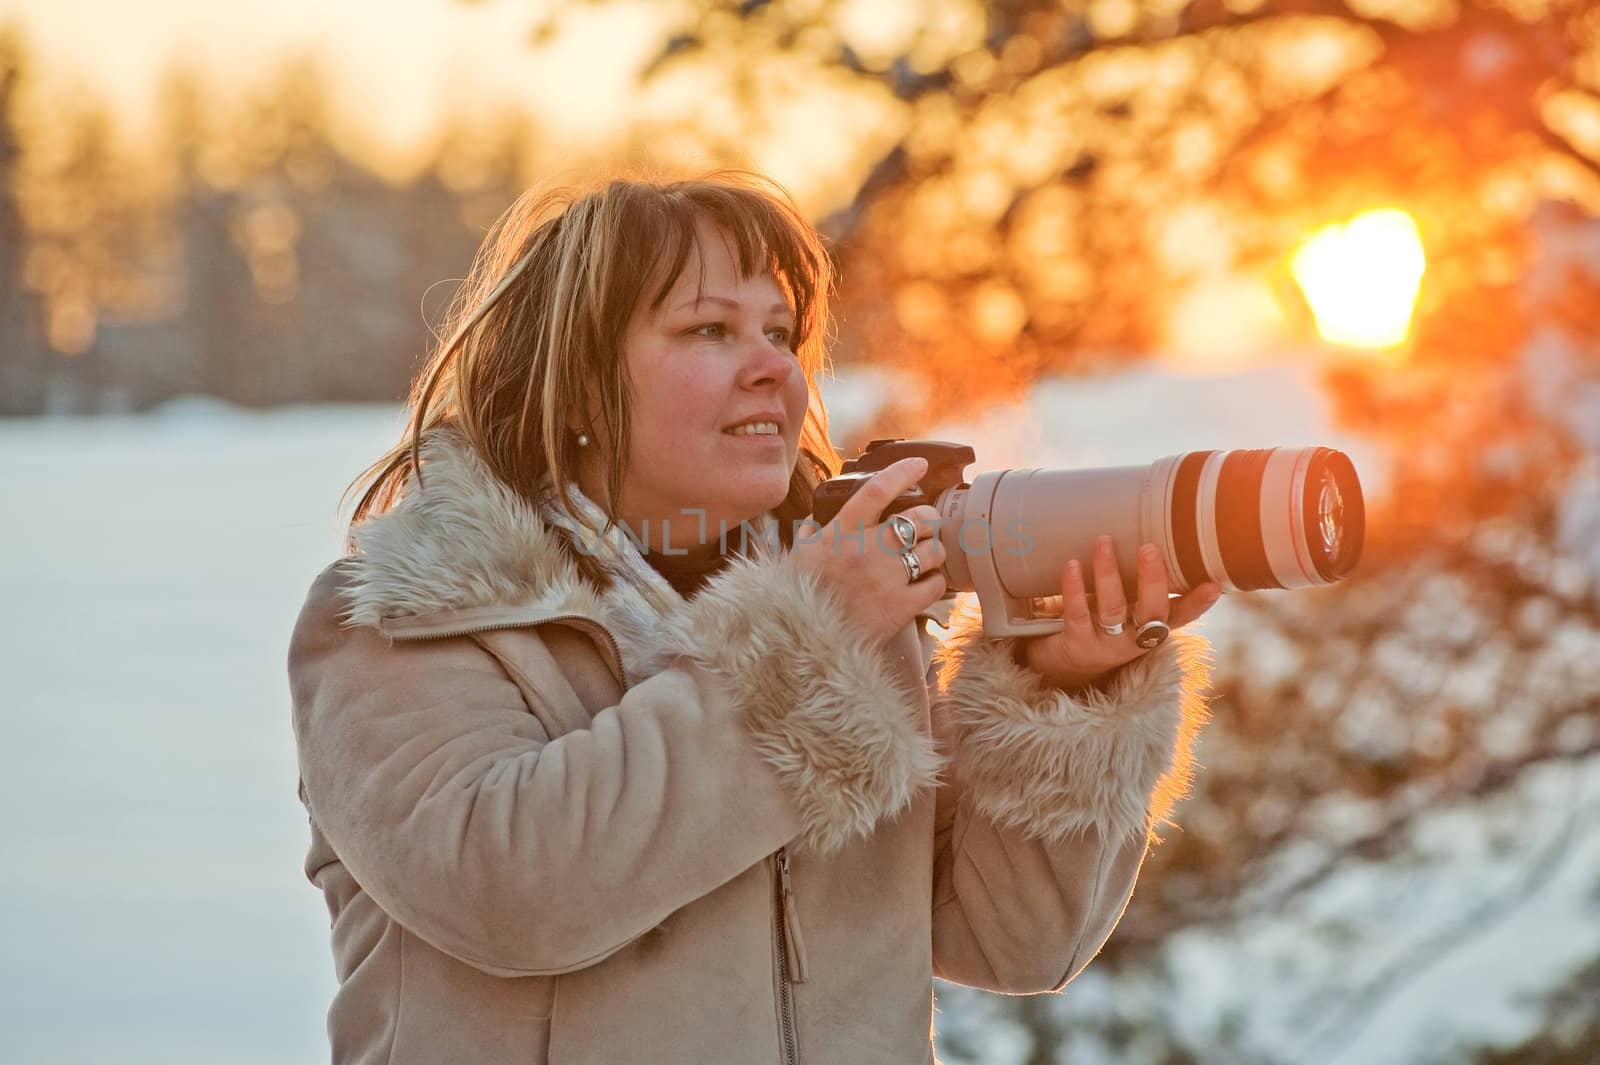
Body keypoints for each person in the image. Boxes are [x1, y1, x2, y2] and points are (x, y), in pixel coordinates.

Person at [287, 169, 1222, 1065]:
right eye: (709, 330)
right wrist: (804, 644)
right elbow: (509, 892)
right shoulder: (410, 620)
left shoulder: (849, 613)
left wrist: (1061, 695)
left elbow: (1013, 943)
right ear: (575, 384)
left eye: (781, 331)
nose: (774, 367)